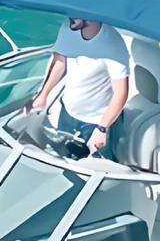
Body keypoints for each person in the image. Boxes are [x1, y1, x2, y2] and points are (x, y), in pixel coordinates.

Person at [26, 15, 134, 158]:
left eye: (76, 11)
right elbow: (59, 61)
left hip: (97, 122)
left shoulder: (113, 44)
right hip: (67, 112)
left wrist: (101, 129)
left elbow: (121, 93)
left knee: (98, 169)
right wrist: (42, 95)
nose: (70, 14)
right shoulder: (68, 27)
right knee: (63, 159)